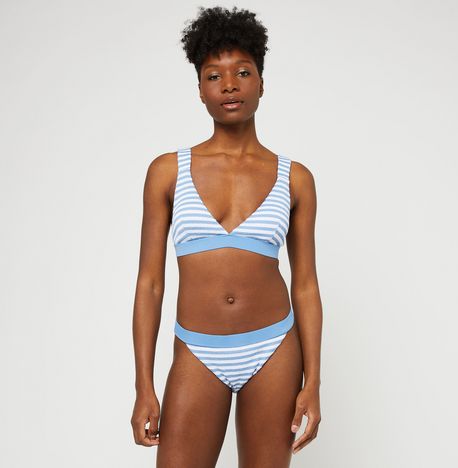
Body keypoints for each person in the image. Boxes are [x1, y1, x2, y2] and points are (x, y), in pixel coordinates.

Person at [131, 6, 323, 467]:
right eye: (214, 76)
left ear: (261, 82)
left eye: (243, 72)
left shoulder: (295, 178)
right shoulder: (167, 172)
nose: (230, 85)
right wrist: (144, 386)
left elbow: (305, 285)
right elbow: (149, 284)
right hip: (197, 349)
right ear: (200, 89)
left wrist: (313, 383)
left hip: (273, 348)